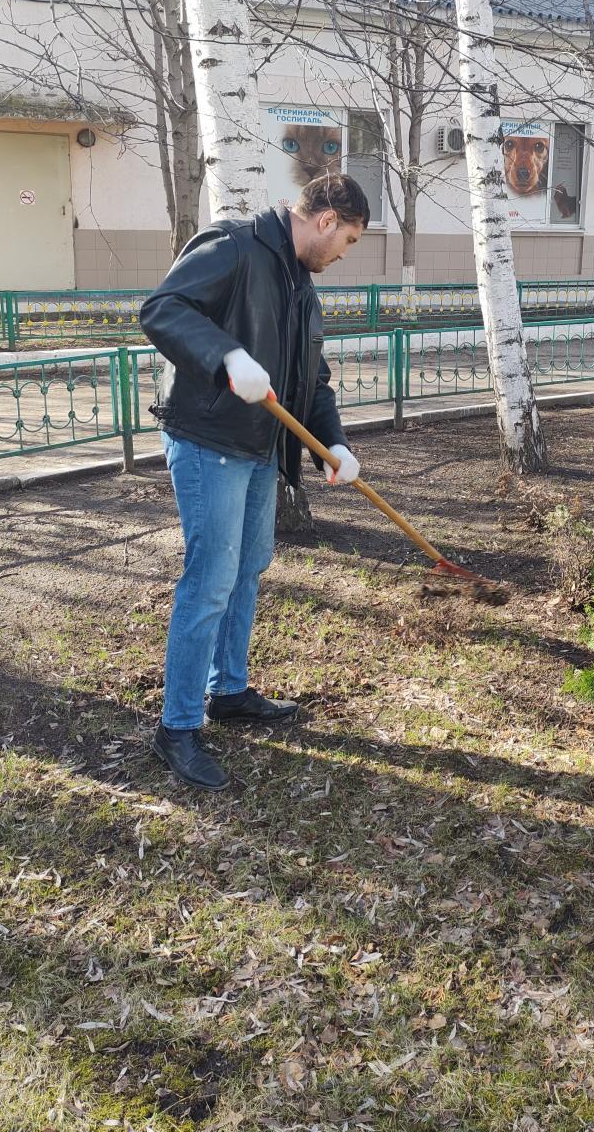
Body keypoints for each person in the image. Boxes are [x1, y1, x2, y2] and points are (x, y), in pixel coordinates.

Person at [140, 173, 369, 790]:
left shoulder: (301, 285)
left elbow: (312, 380)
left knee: (248, 569)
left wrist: (336, 442)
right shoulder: (234, 246)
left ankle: (229, 691)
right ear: (326, 220)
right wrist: (226, 357)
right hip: (208, 442)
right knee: (211, 579)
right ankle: (178, 728)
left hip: (260, 449)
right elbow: (162, 309)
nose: (343, 254)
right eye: (345, 240)